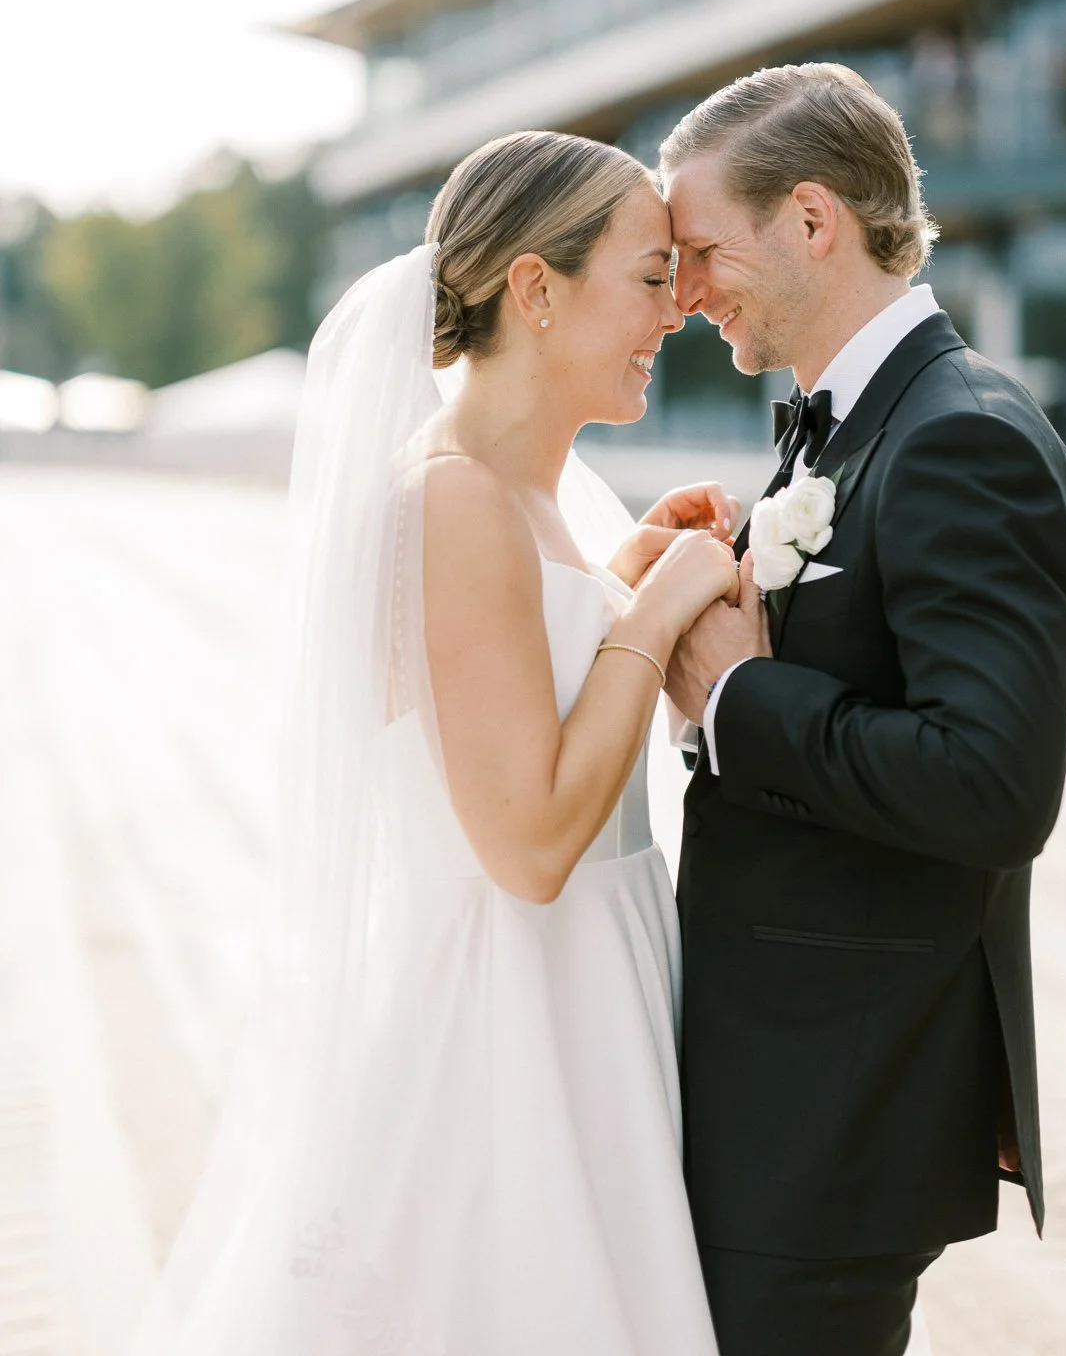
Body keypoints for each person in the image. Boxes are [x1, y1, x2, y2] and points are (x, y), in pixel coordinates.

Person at [130, 131, 736, 1354]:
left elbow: (523, 677)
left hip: (591, 993)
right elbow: (525, 846)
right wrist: (663, 609)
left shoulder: (525, 497)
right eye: (651, 275)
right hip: (513, 1031)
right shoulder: (452, 495)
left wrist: (619, 586)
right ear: (537, 289)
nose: (675, 313)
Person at [660, 62, 1066, 1356]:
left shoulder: (964, 439)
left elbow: (991, 786)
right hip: (778, 1081)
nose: (682, 297)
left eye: (698, 254)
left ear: (809, 220)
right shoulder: (848, 430)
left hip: (832, 1103)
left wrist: (738, 697)